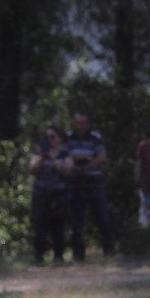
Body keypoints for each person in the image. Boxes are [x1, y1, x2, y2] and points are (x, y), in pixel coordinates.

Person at [65, 112, 113, 260]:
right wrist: (78, 161)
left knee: (102, 218)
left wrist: (85, 166)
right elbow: (64, 155)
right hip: (75, 184)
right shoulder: (67, 137)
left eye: (83, 123)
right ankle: (78, 255)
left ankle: (108, 252)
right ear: (74, 123)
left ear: (88, 124)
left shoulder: (95, 138)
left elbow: (102, 157)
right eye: (78, 123)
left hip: (94, 183)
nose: (81, 126)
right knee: (76, 221)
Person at [29, 126, 71, 264]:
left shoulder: (65, 154)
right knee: (40, 226)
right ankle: (38, 256)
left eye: (53, 137)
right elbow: (32, 170)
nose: (50, 140)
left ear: (59, 139)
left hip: (58, 194)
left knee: (58, 226)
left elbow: (66, 171)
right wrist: (42, 157)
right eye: (47, 137)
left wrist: (53, 159)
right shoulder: (38, 155)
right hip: (40, 195)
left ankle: (58, 256)